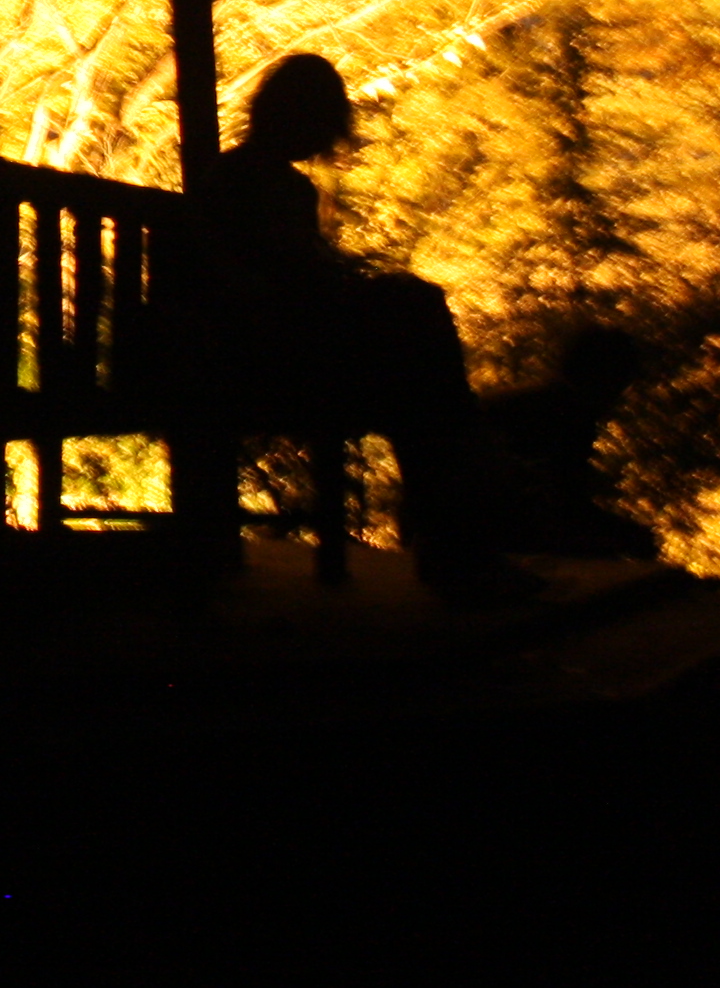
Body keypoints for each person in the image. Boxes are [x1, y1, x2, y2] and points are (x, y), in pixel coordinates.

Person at [190, 53, 516, 604]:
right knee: (424, 359)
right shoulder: (257, 183)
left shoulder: (243, 177)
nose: (324, 138)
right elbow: (286, 277)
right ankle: (458, 552)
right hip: (266, 357)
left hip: (266, 348)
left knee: (423, 378)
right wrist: (350, 285)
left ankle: (457, 550)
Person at [474, 322, 663, 562]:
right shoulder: (568, 415)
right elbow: (568, 503)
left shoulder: (534, 400)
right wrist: (630, 535)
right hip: (485, 524)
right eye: (623, 377)